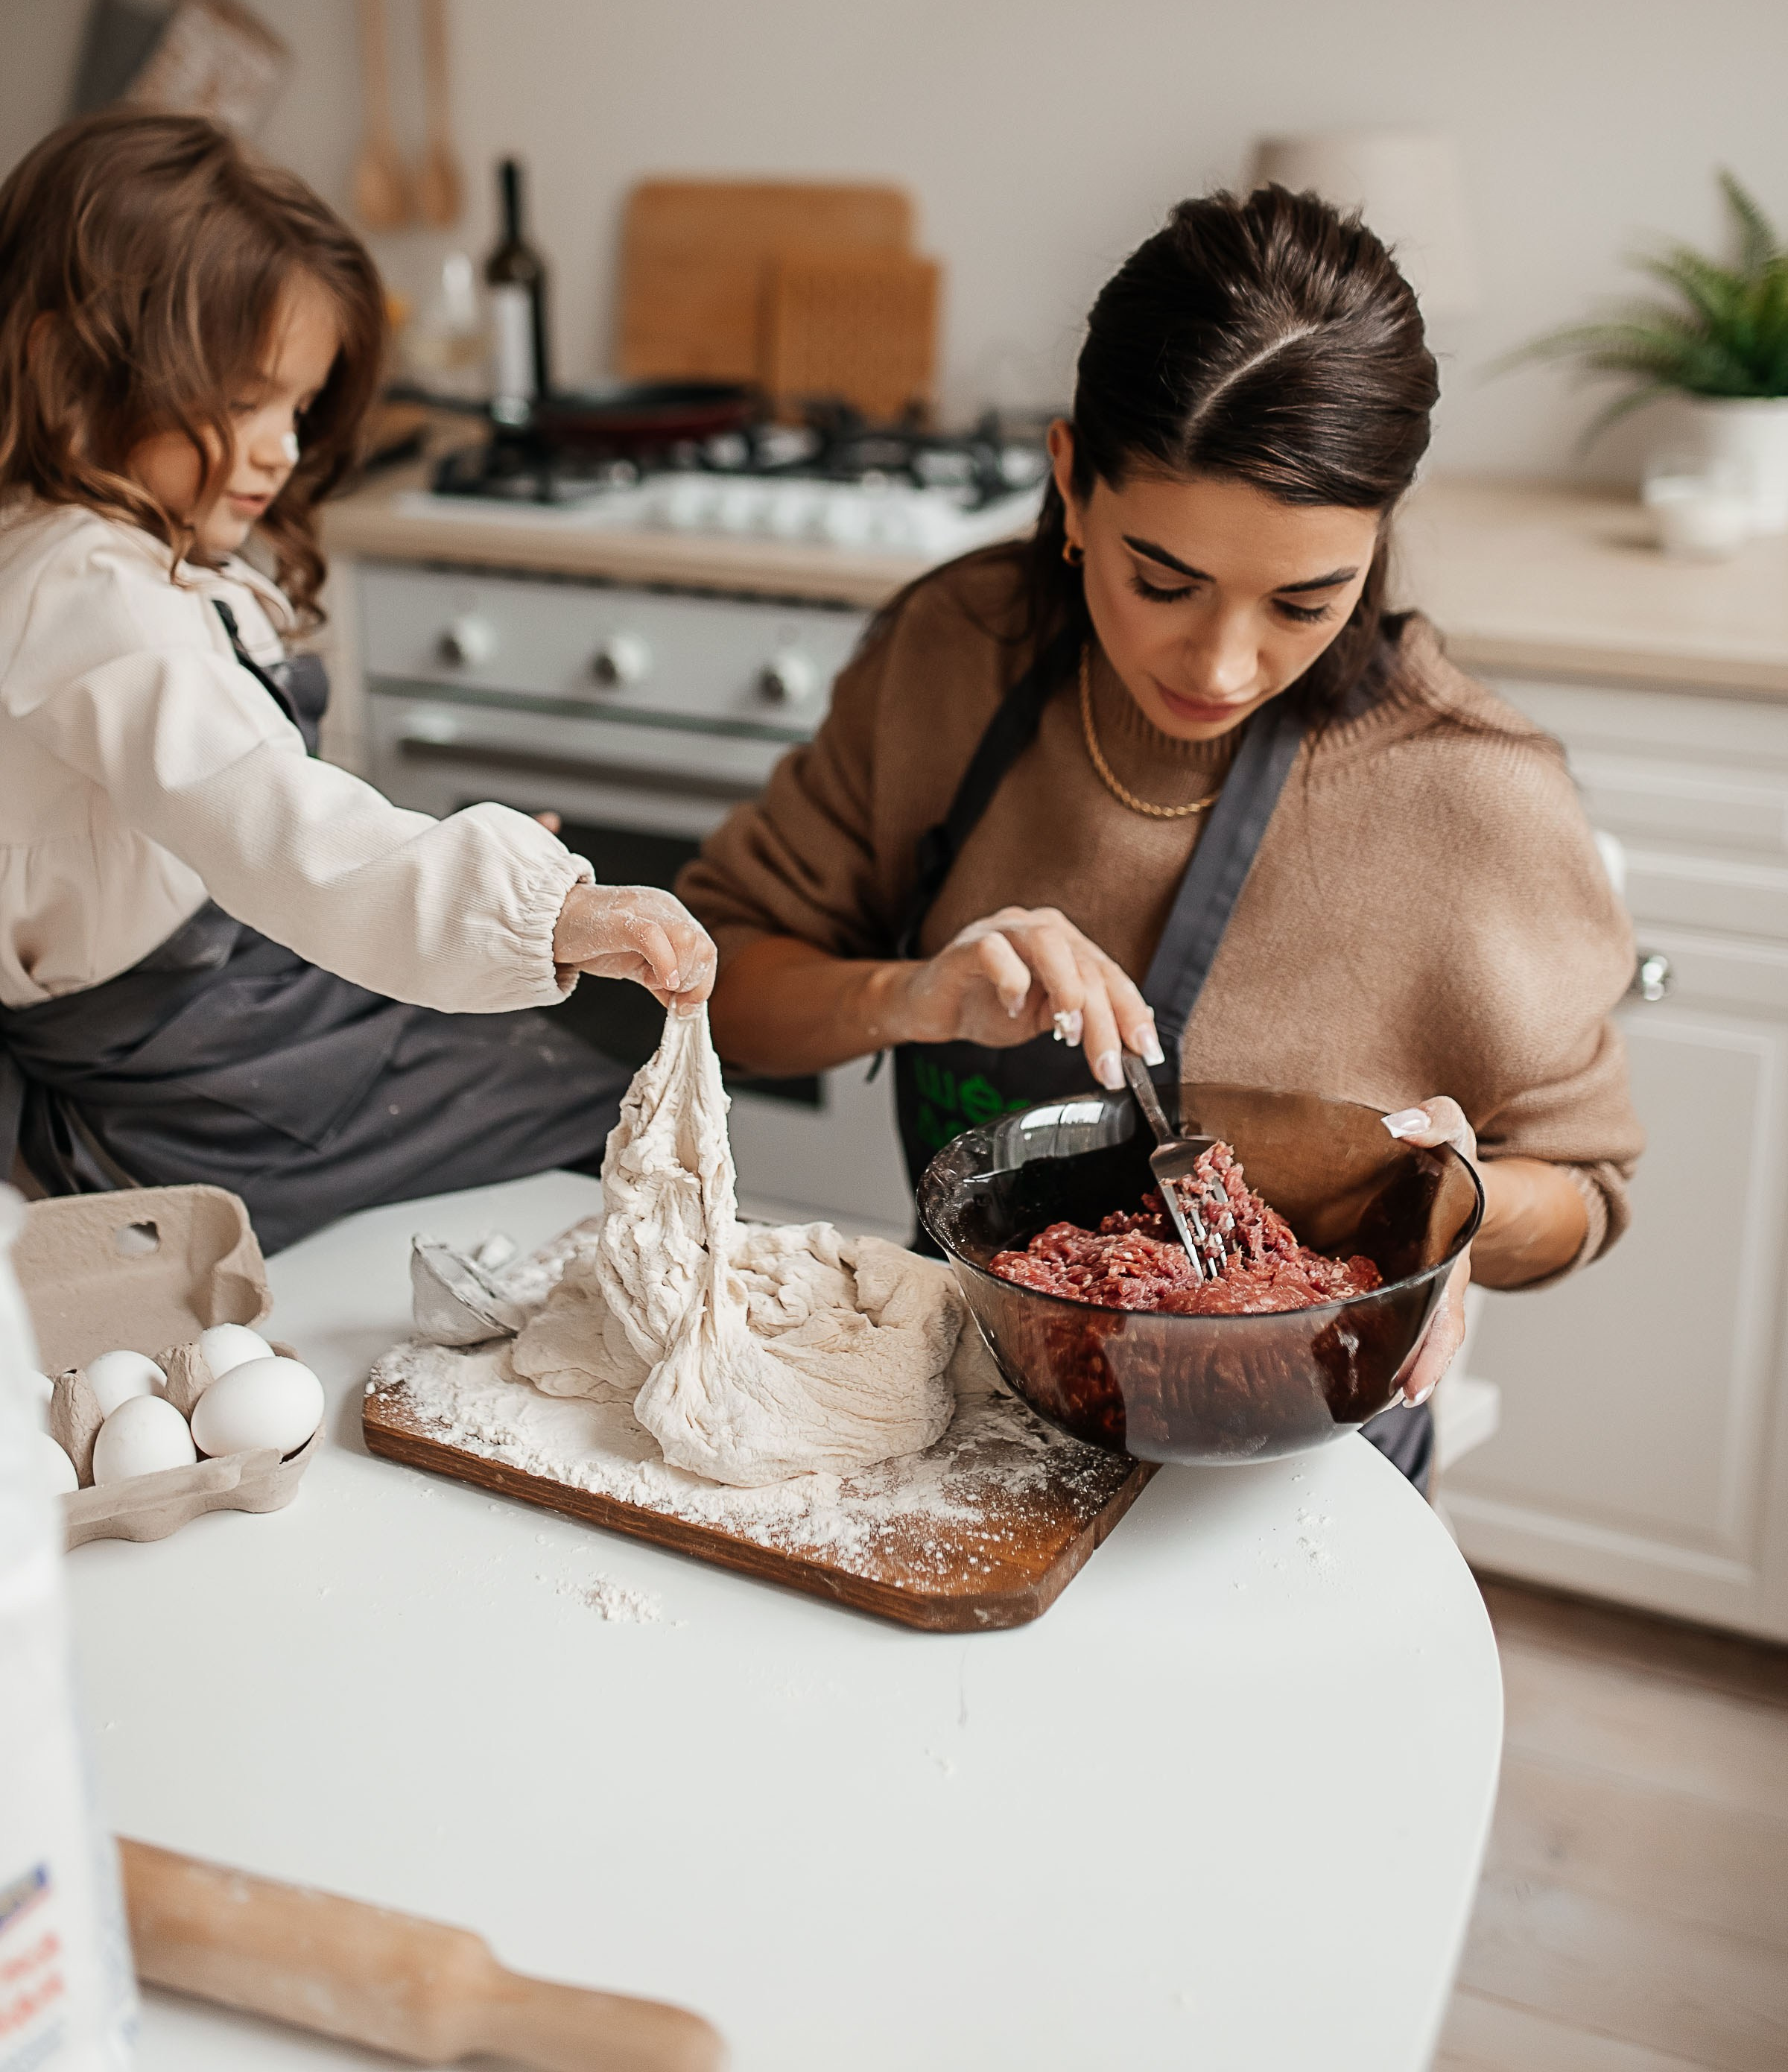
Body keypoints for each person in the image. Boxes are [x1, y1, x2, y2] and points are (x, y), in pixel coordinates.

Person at [682, 186, 1643, 1491]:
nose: (1222, 664)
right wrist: (907, 995)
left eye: (1305, 600)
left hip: (1303, 1445)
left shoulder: (1476, 791)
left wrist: (1462, 1209)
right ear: (1071, 482)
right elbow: (723, 989)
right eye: (1163, 581)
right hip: (974, 1393)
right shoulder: (957, 659)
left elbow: (1587, 1192)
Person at [0, 111, 714, 1252]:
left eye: (297, 406)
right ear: (64, 364)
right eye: (243, 400)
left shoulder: (88, 555)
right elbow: (281, 827)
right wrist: (551, 912)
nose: (282, 448)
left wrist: (442, 866)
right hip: (210, 1089)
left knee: (555, 1087)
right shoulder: (94, 595)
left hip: (241, 1013)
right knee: (594, 1121)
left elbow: (236, 814)